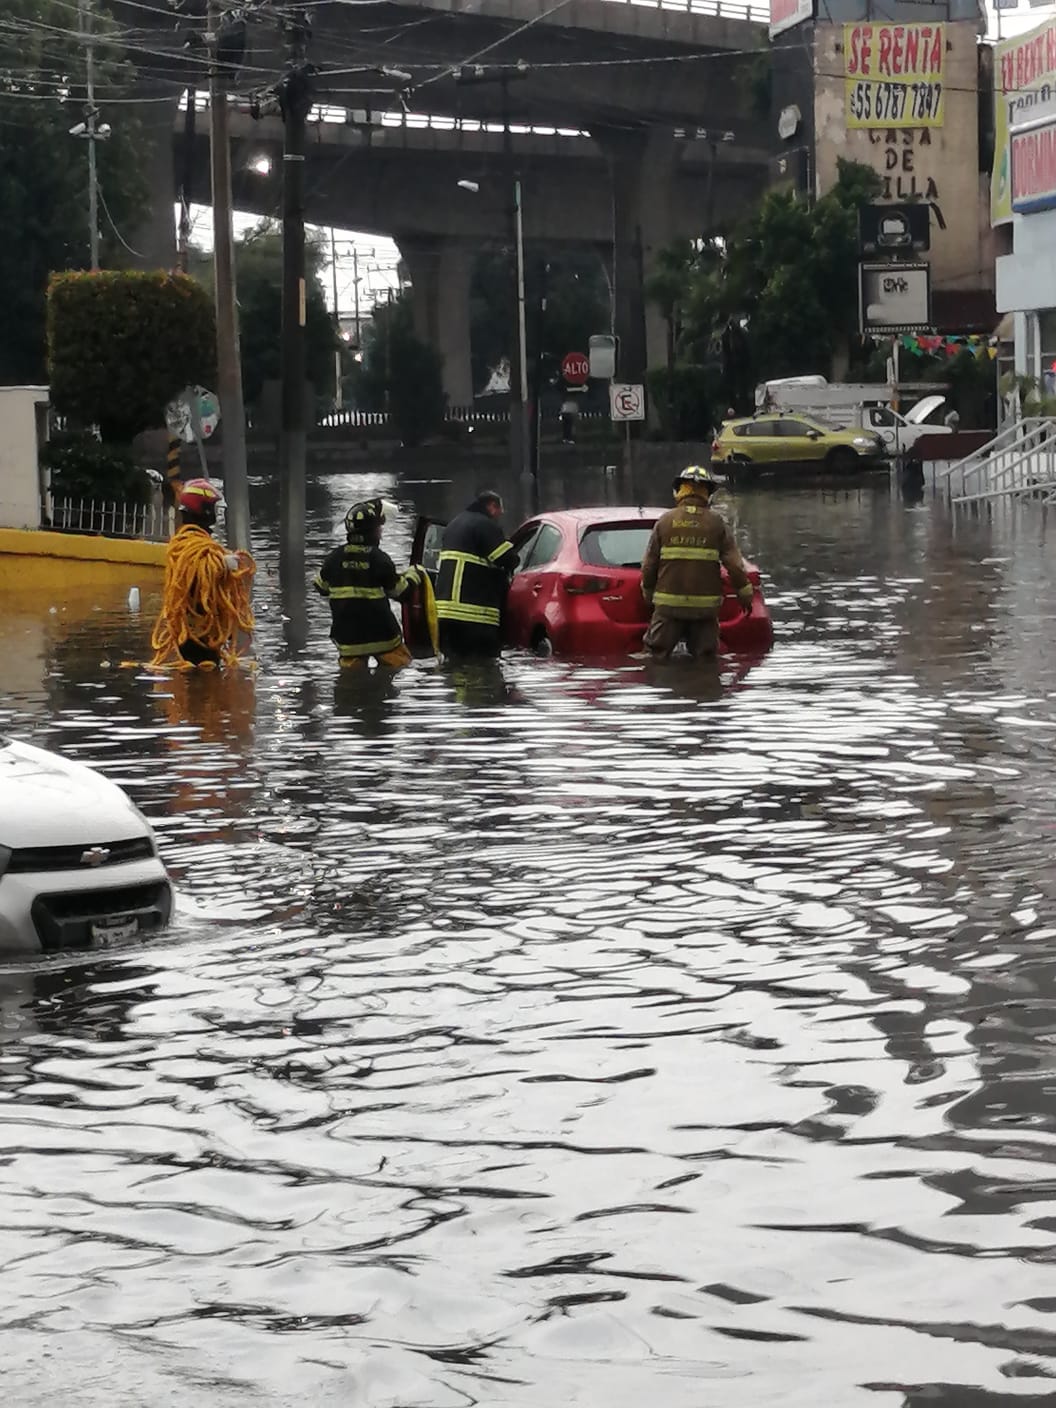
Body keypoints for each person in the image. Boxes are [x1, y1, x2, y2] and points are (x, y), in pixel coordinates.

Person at [640, 465, 755, 662]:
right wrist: (745, 595)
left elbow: (649, 565)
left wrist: (648, 594)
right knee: (706, 661)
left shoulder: (665, 522)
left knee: (656, 658)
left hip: (668, 609)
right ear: (707, 493)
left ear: (679, 490)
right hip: (705, 610)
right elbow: (735, 566)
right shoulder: (717, 523)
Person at [313, 497, 431, 669]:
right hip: (383, 638)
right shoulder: (379, 559)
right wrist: (414, 575)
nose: (380, 532)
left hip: (348, 641)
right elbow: (401, 592)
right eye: (379, 528)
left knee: (350, 679)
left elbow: (320, 587)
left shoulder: (333, 559)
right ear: (372, 532)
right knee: (400, 667)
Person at [150, 478, 255, 669]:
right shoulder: (189, 544)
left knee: (204, 672)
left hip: (204, 627)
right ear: (203, 510)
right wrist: (222, 565)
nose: (215, 514)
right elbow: (195, 572)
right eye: (213, 508)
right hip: (195, 630)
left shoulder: (195, 541)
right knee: (203, 672)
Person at [435, 490, 517, 659]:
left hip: (445, 614)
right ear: (491, 506)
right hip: (474, 616)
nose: (501, 514)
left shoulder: (454, 524)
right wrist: (513, 554)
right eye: (500, 509)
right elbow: (505, 559)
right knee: (483, 665)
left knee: (454, 663)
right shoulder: (485, 525)